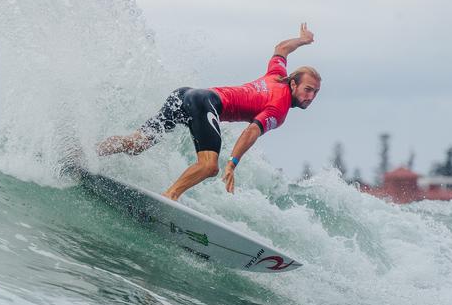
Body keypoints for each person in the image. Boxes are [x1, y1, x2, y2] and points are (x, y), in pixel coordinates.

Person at [97, 23, 321, 200]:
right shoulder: (279, 108)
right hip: (205, 102)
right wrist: (232, 163)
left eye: (315, 93)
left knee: (137, 144)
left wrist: (301, 41)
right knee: (209, 166)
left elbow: (281, 49)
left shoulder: (276, 74)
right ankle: (170, 196)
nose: (310, 97)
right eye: (308, 90)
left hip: (185, 95)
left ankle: (89, 150)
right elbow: (252, 131)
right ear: (294, 84)